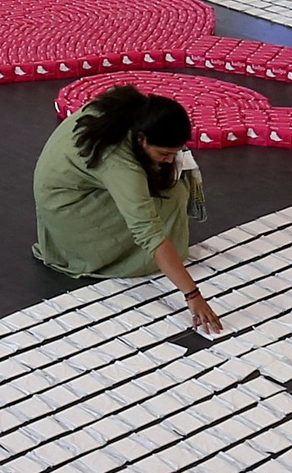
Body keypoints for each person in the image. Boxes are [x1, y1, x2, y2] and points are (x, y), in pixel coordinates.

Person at [32, 86, 223, 334]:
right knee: (169, 200)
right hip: (68, 215)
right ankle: (110, 256)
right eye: (163, 153)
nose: (168, 159)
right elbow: (148, 232)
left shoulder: (128, 111)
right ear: (142, 139)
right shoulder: (118, 163)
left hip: (66, 195)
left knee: (172, 188)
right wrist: (192, 294)